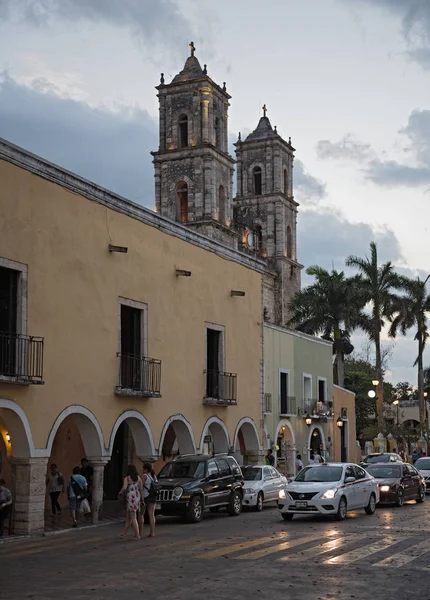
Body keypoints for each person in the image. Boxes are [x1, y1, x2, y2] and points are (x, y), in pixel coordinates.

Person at [119, 464, 142, 540]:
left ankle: (137, 535)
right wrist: (142, 499)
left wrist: (120, 492)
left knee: (133, 517)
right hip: (136, 496)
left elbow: (124, 488)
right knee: (129, 517)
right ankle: (124, 533)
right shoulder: (138, 478)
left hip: (130, 497)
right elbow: (141, 489)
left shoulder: (127, 478)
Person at [141, 462, 158, 538]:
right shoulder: (154, 476)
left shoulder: (144, 476)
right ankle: (152, 532)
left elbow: (141, 486)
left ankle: (140, 532)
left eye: (143, 468)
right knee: (152, 514)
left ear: (146, 469)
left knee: (141, 514)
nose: (142, 470)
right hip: (153, 496)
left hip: (146, 496)